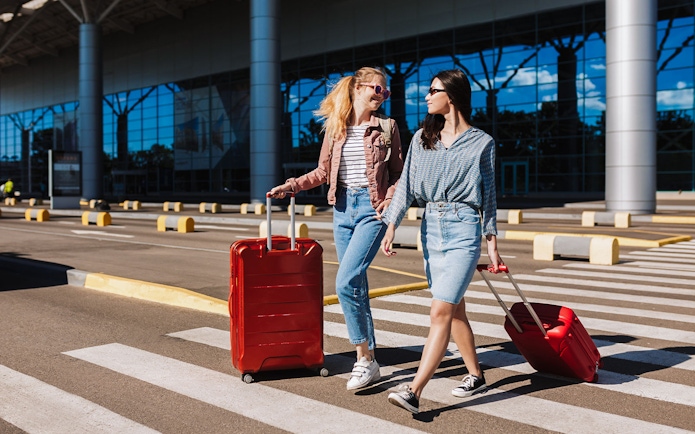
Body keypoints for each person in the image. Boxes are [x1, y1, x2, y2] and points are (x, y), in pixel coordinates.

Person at [267, 66, 403, 391]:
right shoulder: (336, 128)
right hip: (342, 210)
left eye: (386, 91)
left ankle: (365, 360)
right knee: (356, 287)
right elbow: (322, 171)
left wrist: (392, 199)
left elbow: (400, 173)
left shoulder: (387, 127)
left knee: (344, 282)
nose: (383, 95)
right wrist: (292, 186)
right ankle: (370, 359)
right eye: (378, 88)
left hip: (372, 210)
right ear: (358, 89)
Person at [379, 69, 503, 414]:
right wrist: (391, 226)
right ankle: (476, 375)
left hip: (464, 229)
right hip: (431, 227)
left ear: (452, 95)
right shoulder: (422, 138)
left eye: (433, 91)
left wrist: (491, 241)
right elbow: (405, 186)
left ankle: (414, 390)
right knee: (454, 309)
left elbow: (490, 194)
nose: (427, 97)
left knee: (440, 310)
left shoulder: (483, 143)